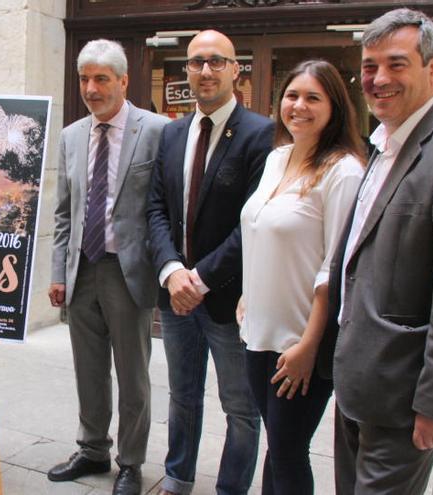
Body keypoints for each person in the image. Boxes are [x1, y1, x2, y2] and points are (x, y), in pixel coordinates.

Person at [315, 8, 433, 494]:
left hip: (404, 395)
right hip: (358, 382)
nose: (378, 78)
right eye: (370, 66)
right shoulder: (383, 143)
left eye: (396, 64)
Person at [146, 30, 273, 495]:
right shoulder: (172, 132)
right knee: (182, 396)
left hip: (228, 297)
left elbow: (253, 223)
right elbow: (156, 208)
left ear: (235, 69)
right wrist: (171, 271)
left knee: (241, 407)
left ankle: (230, 489)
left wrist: (199, 277)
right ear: (187, 71)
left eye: (216, 61)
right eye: (197, 62)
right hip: (175, 294)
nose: (205, 70)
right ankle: (177, 479)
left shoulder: (262, 134)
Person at [48, 39, 169, 495]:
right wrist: (58, 272)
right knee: (88, 368)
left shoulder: (157, 130)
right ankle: (93, 448)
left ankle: (131, 463)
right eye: (84, 79)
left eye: (101, 79)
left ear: (123, 80)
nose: (92, 89)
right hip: (83, 269)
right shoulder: (72, 135)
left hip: (128, 272)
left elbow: (165, 207)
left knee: (133, 375)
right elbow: (64, 212)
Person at [237, 60, 365, 494]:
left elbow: (337, 265)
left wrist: (310, 344)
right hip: (258, 332)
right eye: (292, 96)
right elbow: (256, 230)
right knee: (278, 445)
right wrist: (245, 293)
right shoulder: (277, 157)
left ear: (335, 107)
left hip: (300, 341)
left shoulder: (343, 172)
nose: (300, 106)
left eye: (313, 97)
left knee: (290, 451)